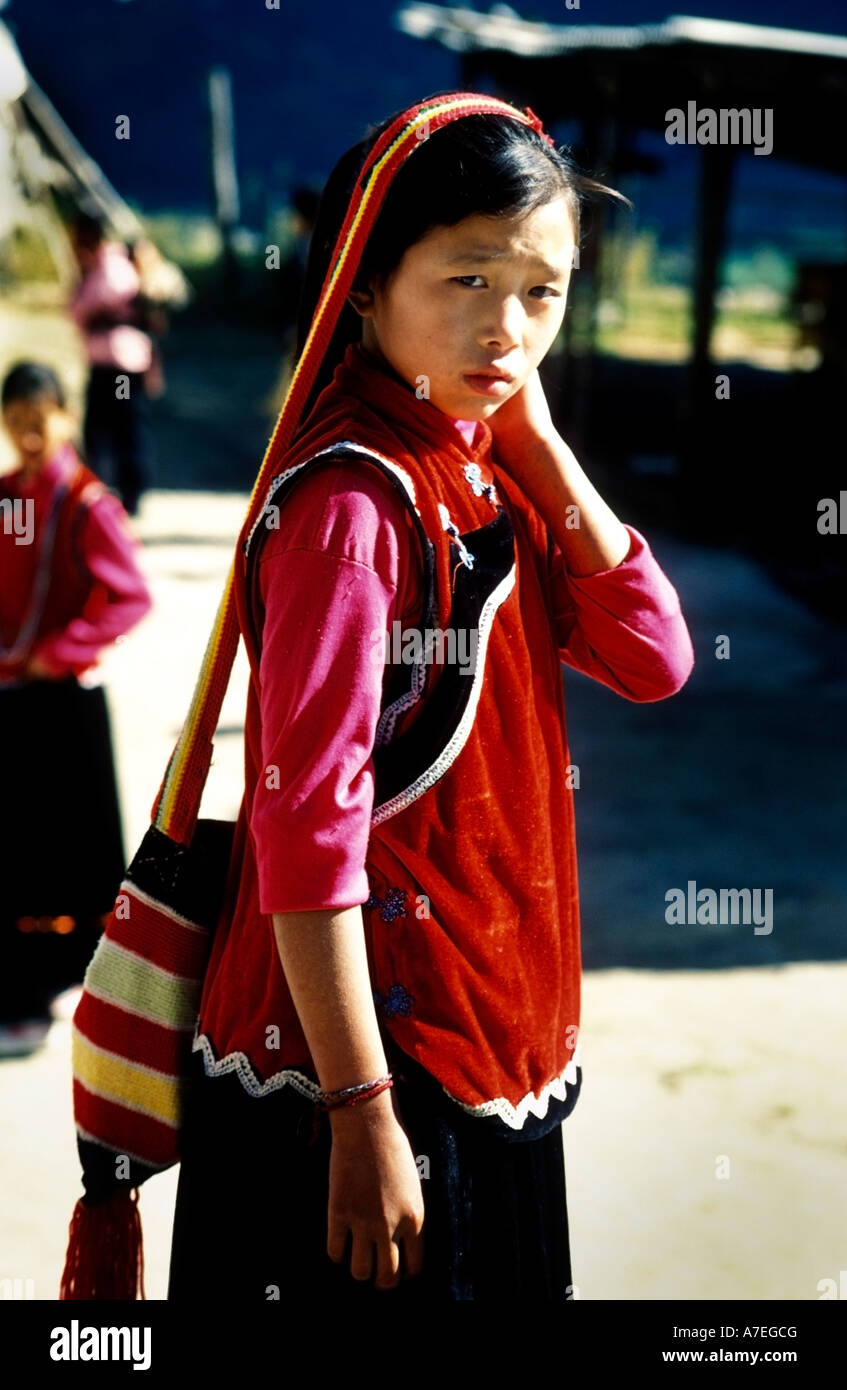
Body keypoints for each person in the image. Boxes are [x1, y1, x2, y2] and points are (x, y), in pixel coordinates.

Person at [166, 92, 695, 1301]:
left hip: (485, 1030)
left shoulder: (482, 467)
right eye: (467, 279)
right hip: (361, 1068)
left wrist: (545, 449)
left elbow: (654, 657)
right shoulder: (352, 512)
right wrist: (360, 1112)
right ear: (363, 283)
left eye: (541, 292)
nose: (505, 331)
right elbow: (306, 832)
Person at [0, 361, 153, 1056]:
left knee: (68, 848)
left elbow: (130, 596)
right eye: (17, 423)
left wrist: (61, 648)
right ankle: (22, 978)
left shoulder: (89, 502)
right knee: (19, 847)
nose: (30, 436)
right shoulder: (10, 497)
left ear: (65, 419)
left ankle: (61, 982)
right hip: (13, 695)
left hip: (63, 700)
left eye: (41, 422)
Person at [66, 211, 155, 516]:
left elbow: (82, 307)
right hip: (109, 364)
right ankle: (101, 494)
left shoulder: (110, 266)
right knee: (103, 431)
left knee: (120, 430)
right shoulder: (102, 265)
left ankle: (127, 497)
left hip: (119, 368)